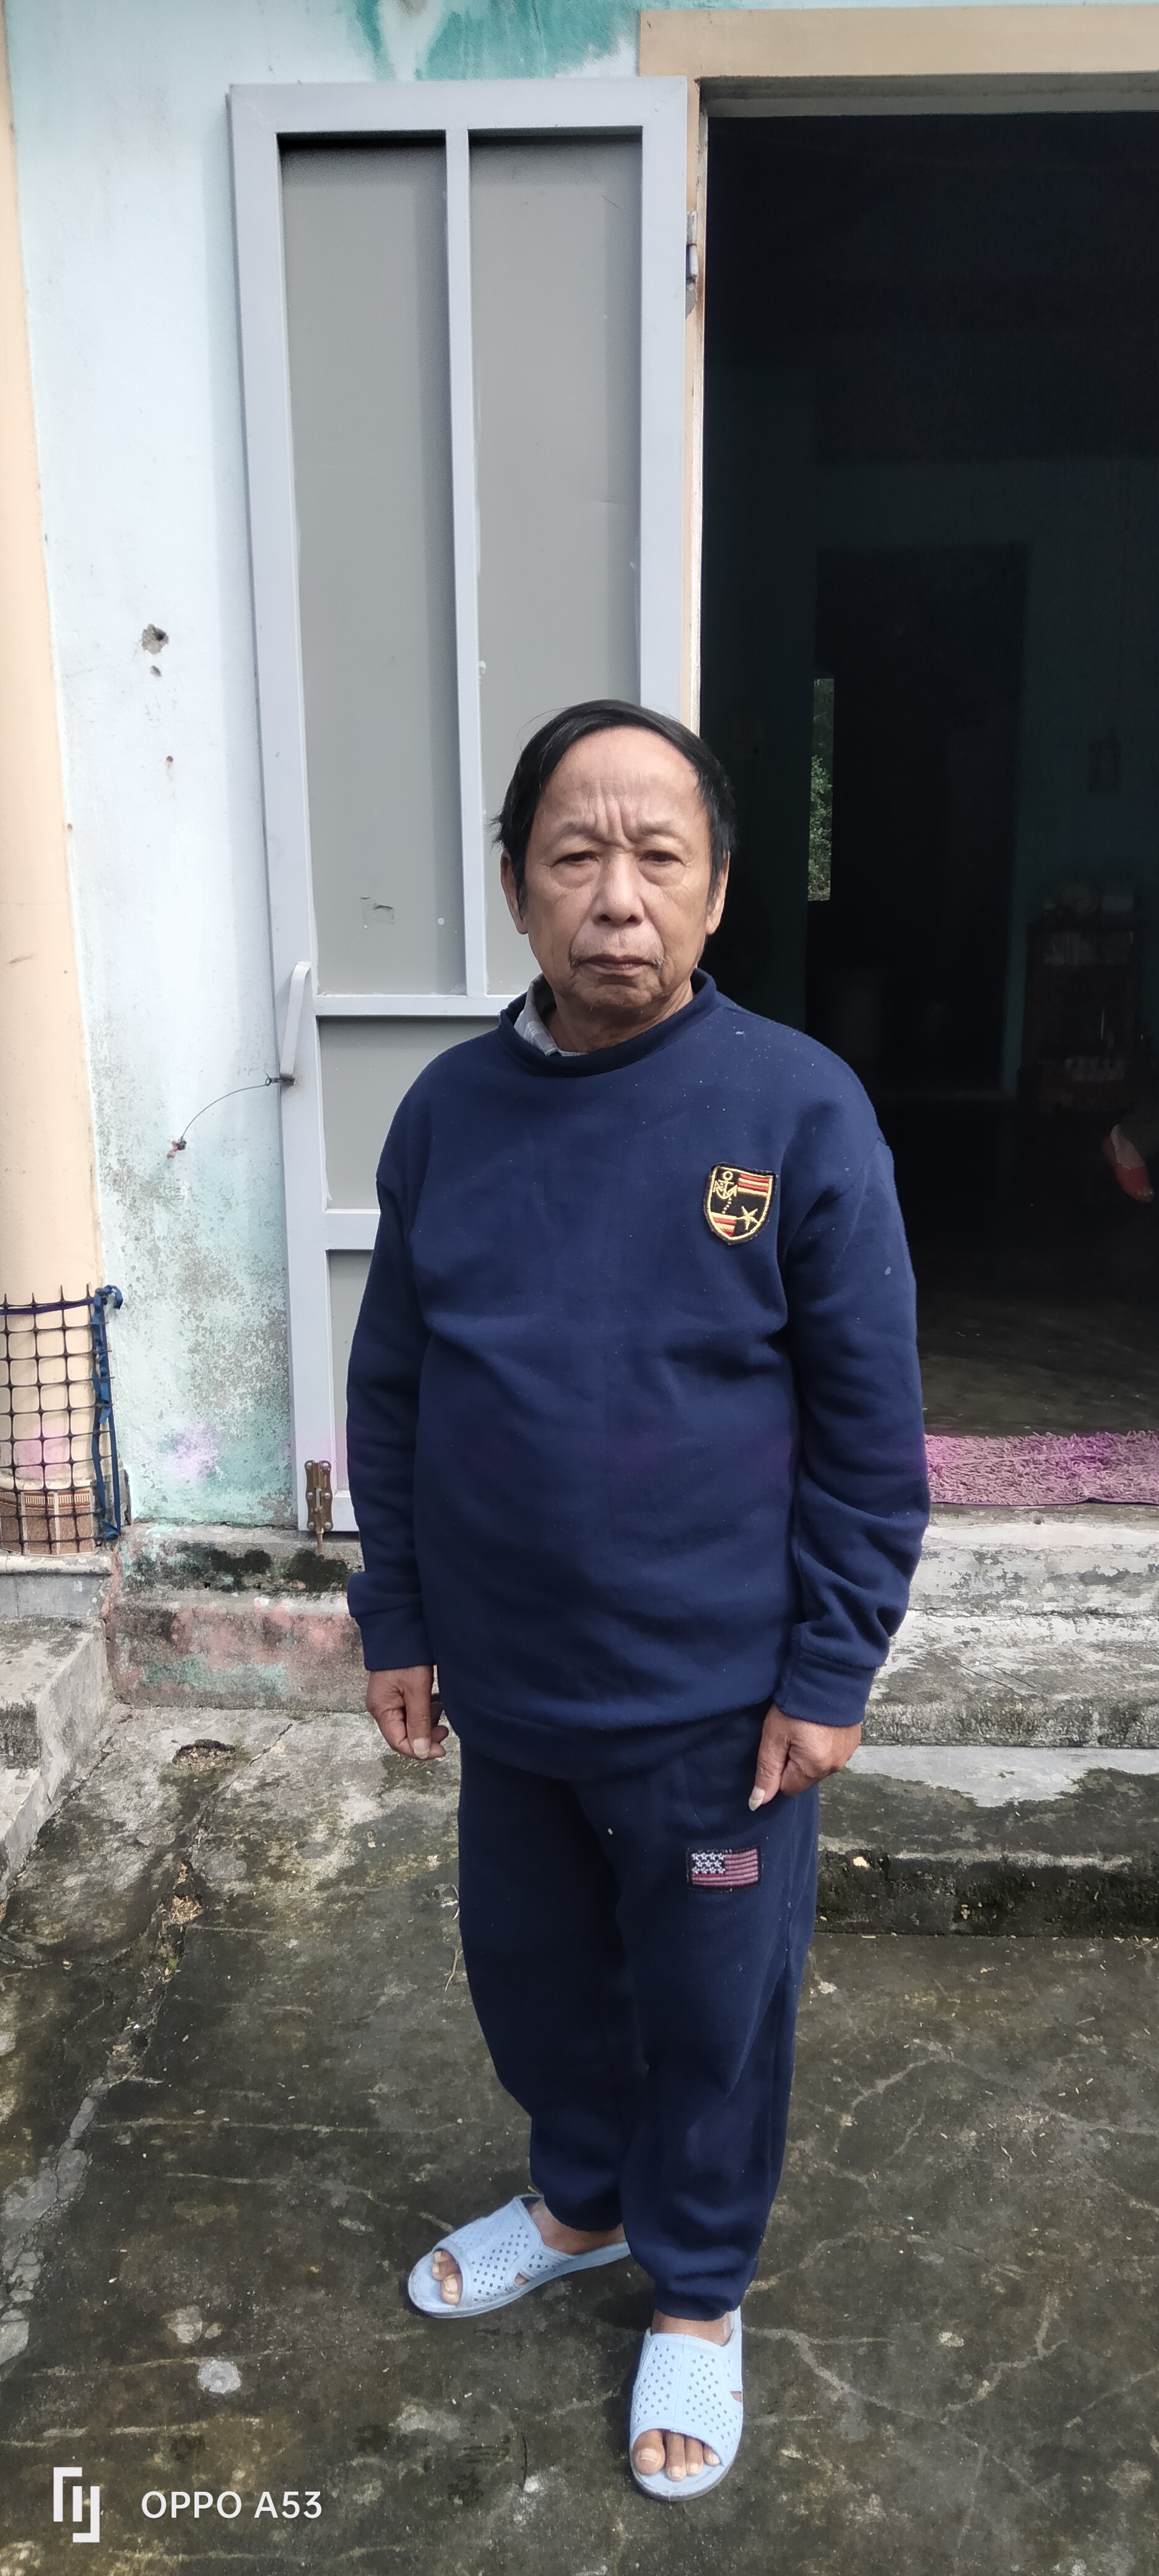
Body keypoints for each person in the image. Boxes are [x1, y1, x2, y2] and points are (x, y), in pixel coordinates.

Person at [346, 700, 929, 2500]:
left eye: (659, 857)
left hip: (712, 1705)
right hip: (508, 1688)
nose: (618, 896)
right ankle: (581, 2201)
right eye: (575, 855)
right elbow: (394, 1387)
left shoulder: (797, 1110)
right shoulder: (449, 1115)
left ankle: (695, 2286)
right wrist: (397, 1618)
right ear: (516, 886)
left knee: (709, 2011)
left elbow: (870, 1434)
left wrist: (829, 1670)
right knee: (530, 1979)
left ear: (719, 890)